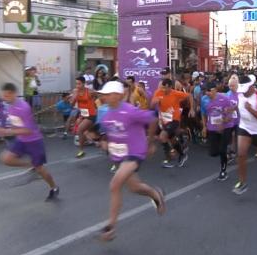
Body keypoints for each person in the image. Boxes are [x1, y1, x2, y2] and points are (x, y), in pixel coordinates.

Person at [96, 81, 165, 241]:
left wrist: (150, 142)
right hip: (120, 156)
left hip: (135, 152)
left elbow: (153, 118)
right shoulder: (106, 115)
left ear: (119, 95)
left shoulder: (130, 111)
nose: (104, 97)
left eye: (108, 94)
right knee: (135, 188)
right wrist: (104, 141)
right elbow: (107, 133)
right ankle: (155, 194)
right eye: (103, 94)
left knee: (115, 184)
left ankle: (111, 226)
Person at [0, 83, 59, 200]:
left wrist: (6, 132)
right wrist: (6, 134)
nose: (4, 98)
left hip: (34, 141)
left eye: (7, 96)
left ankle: (53, 187)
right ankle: (32, 166)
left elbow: (28, 130)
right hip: (21, 140)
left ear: (14, 94)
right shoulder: (10, 106)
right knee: (6, 158)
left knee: (41, 169)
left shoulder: (23, 107)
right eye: (3, 96)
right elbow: (17, 125)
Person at [232, 75, 257, 195]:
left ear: (251, 87)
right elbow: (238, 107)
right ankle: (242, 182)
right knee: (241, 153)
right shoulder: (239, 94)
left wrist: (250, 110)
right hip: (245, 127)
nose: (243, 93)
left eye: (245, 90)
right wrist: (231, 110)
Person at [151, 78, 195, 168]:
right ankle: (182, 154)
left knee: (162, 136)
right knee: (172, 139)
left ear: (170, 87)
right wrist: (154, 102)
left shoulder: (175, 93)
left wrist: (192, 109)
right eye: (162, 87)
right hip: (164, 120)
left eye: (166, 88)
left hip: (174, 119)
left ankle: (169, 159)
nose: (164, 90)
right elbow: (151, 105)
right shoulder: (158, 92)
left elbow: (189, 96)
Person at [201, 82, 235, 181]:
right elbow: (203, 114)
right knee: (213, 152)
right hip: (212, 127)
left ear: (214, 90)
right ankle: (225, 153)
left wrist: (223, 122)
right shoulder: (204, 100)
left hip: (226, 127)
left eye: (209, 91)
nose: (207, 93)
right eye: (205, 91)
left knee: (222, 150)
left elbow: (230, 114)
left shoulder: (224, 99)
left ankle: (223, 171)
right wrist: (204, 126)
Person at [71, 76, 97, 158]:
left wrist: (96, 104)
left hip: (91, 115)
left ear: (83, 84)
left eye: (79, 84)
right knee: (79, 129)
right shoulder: (76, 91)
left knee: (80, 129)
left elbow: (99, 96)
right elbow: (71, 105)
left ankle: (81, 151)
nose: (77, 86)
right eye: (76, 84)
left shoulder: (89, 91)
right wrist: (74, 96)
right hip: (83, 115)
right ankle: (94, 141)